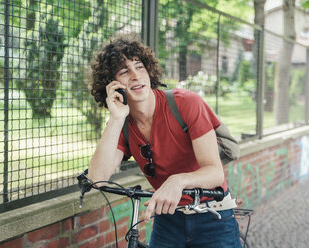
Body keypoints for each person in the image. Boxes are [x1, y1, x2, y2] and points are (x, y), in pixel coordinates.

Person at [88, 35, 241, 248]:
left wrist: (177, 181)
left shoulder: (185, 103)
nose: (135, 75)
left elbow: (215, 172)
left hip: (212, 215)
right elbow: (98, 179)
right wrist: (115, 117)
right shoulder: (121, 123)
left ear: (149, 71)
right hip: (168, 219)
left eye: (139, 67)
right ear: (111, 85)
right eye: (124, 72)